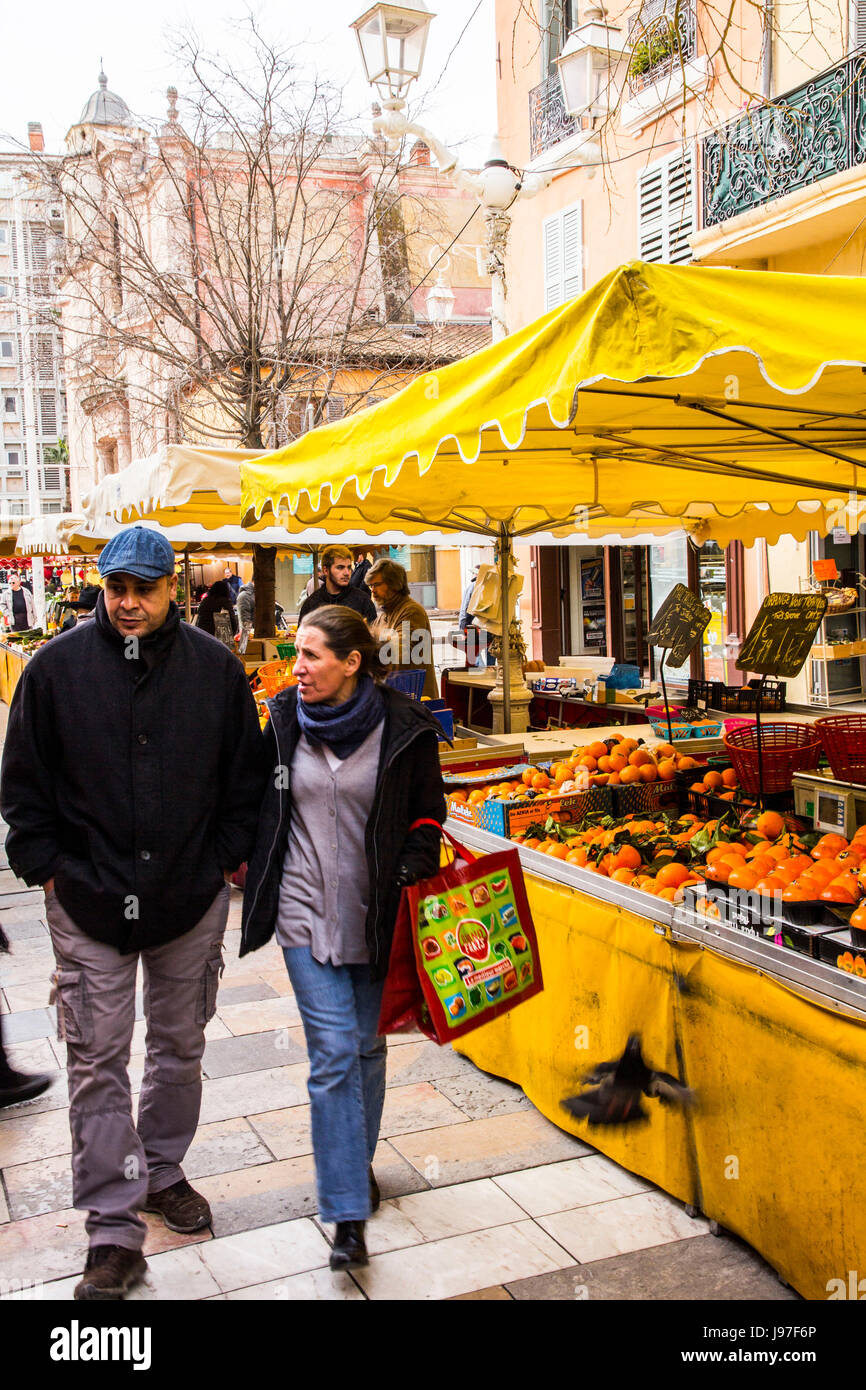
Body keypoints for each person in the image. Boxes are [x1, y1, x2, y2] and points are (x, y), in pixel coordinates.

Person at [0, 526, 266, 1301]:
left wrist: (221, 860)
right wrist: (48, 872)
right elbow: (23, 789)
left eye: (142, 589)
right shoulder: (53, 671)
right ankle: (113, 1232)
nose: (126, 603)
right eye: (116, 588)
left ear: (172, 590)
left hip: (189, 896)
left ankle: (162, 1170)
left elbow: (243, 781)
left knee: (180, 1048)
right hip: (87, 900)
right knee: (96, 1060)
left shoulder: (215, 671)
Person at [241, 606, 445, 1270]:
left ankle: (353, 1164)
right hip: (303, 912)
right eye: (296, 654)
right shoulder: (281, 722)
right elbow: (249, 800)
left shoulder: (405, 729)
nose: (296, 667)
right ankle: (347, 1213)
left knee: (367, 1048)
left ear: (352, 662)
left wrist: (418, 853)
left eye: (311, 655)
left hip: (375, 913)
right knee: (332, 1055)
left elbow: (427, 812)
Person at [367, 558, 438, 699]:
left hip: (417, 699)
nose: (373, 590)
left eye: (377, 585)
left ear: (394, 584)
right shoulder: (383, 615)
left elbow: (397, 651)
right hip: (397, 697)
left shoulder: (411, 611)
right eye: (371, 586)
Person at [297, 545, 376, 625]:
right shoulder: (312, 603)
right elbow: (302, 635)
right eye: (340, 567)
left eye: (348, 567)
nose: (347, 573)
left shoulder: (363, 601)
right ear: (326, 570)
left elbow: (373, 634)